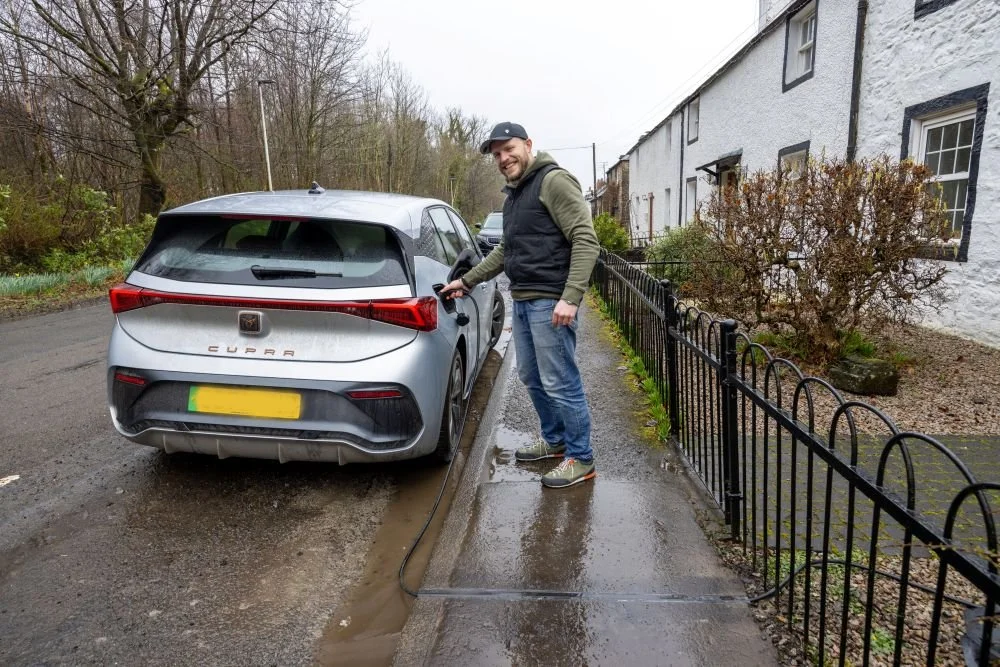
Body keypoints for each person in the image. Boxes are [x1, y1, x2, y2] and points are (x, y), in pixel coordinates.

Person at [440, 122, 600, 488]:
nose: (502, 158)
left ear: (528, 145)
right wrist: (467, 281)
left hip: (551, 300)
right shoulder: (515, 193)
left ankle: (581, 457)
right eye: (496, 154)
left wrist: (570, 298)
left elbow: (586, 240)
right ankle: (556, 440)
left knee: (561, 382)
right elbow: (505, 251)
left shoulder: (552, 181)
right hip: (525, 299)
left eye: (508, 149)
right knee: (532, 376)